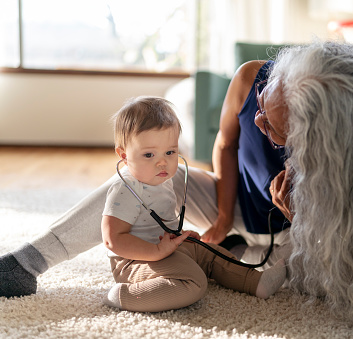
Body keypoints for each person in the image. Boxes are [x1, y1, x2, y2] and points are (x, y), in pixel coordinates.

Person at [0, 40, 353, 327]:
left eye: (276, 127)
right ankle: (25, 264)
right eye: (263, 103)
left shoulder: (350, 165)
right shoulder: (251, 79)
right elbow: (225, 147)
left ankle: (238, 257)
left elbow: (348, 275)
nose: (258, 118)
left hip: (289, 244)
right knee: (144, 176)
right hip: (232, 205)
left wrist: (303, 218)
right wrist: (221, 216)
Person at [99, 96, 286, 311]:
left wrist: (176, 238)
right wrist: (156, 251)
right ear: (124, 155)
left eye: (170, 152)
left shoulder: (162, 180)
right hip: (134, 262)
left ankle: (256, 283)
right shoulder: (126, 189)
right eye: (149, 154)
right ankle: (123, 295)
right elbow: (113, 240)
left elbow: (160, 222)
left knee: (212, 253)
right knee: (194, 281)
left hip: (164, 250)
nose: (162, 162)